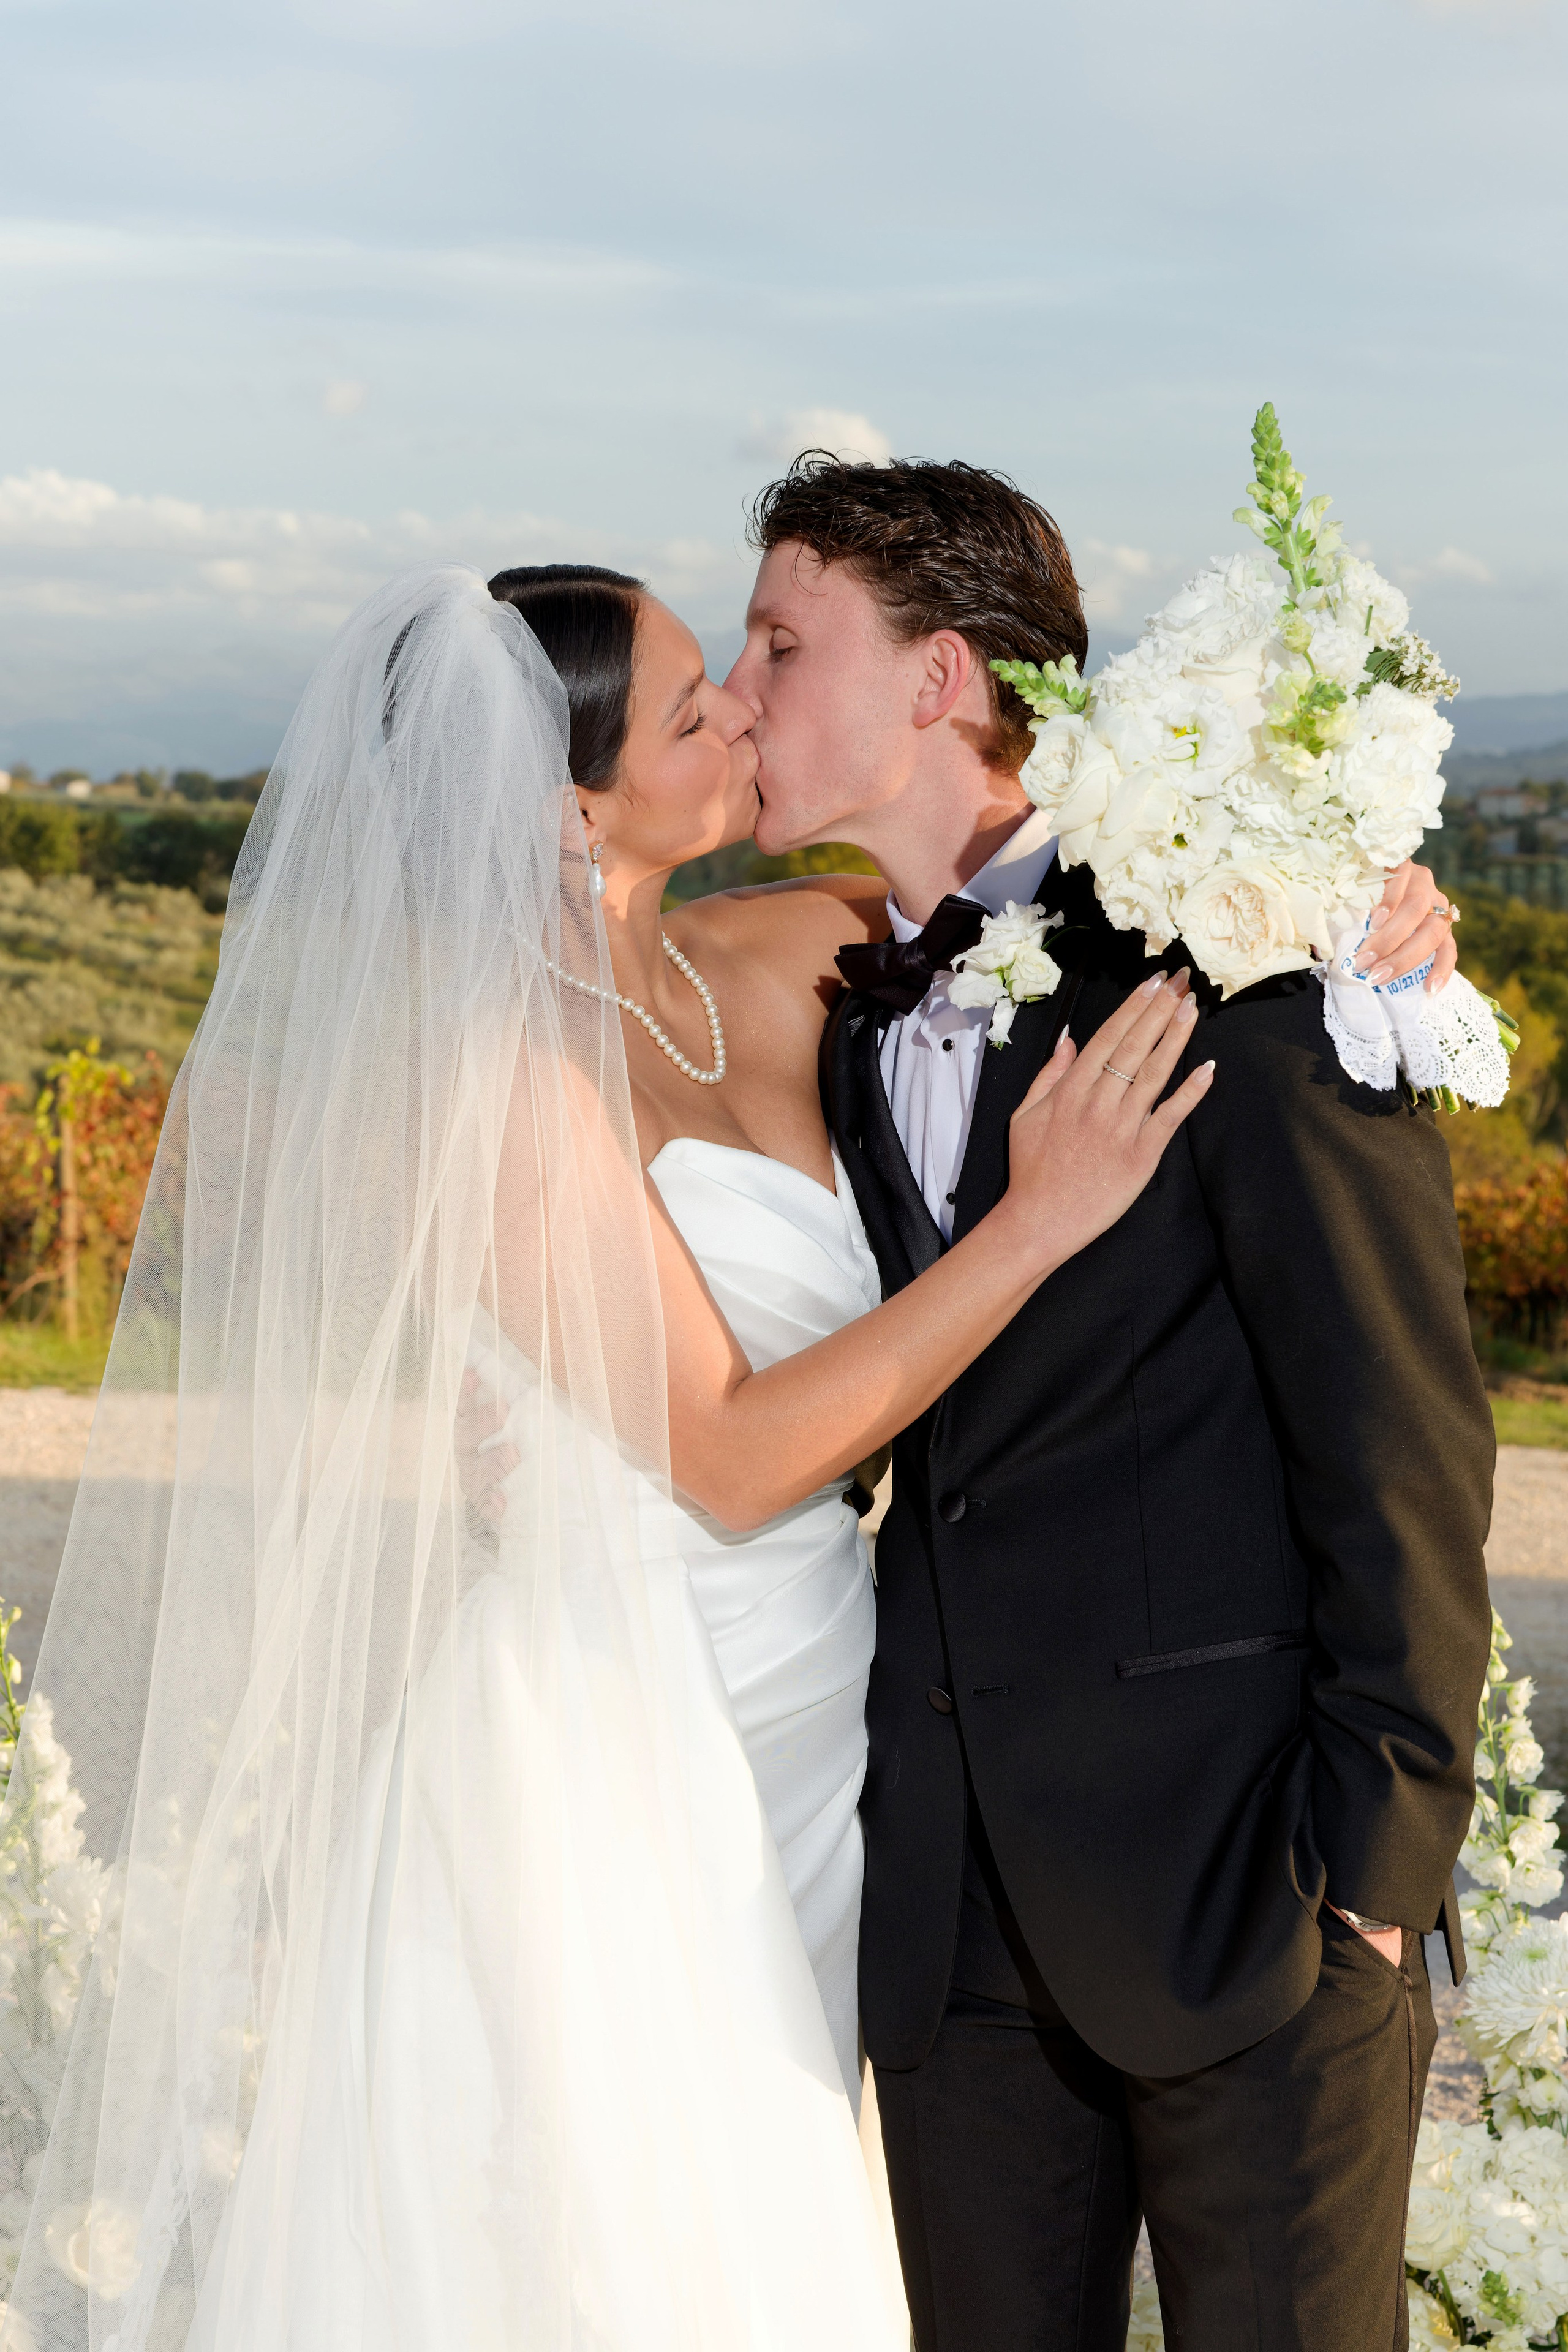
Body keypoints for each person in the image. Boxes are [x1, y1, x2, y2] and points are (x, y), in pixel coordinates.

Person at [0, 561, 1213, 2352]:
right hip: (613, 1735)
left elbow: (1088, 904)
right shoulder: (489, 1072)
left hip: (826, 1704)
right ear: (572, 809)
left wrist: (1378, 909)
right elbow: (723, 1454)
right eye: (689, 706)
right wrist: (1035, 1228)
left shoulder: (799, 948)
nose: (738, 704)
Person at [719, 455, 1494, 2352]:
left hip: (1253, 1898)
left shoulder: (1241, 948)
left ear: (938, 678)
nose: (740, 693)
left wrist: (1373, 1890)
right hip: (955, 1920)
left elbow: (1401, 1429)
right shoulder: (828, 1005)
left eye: (778, 641)